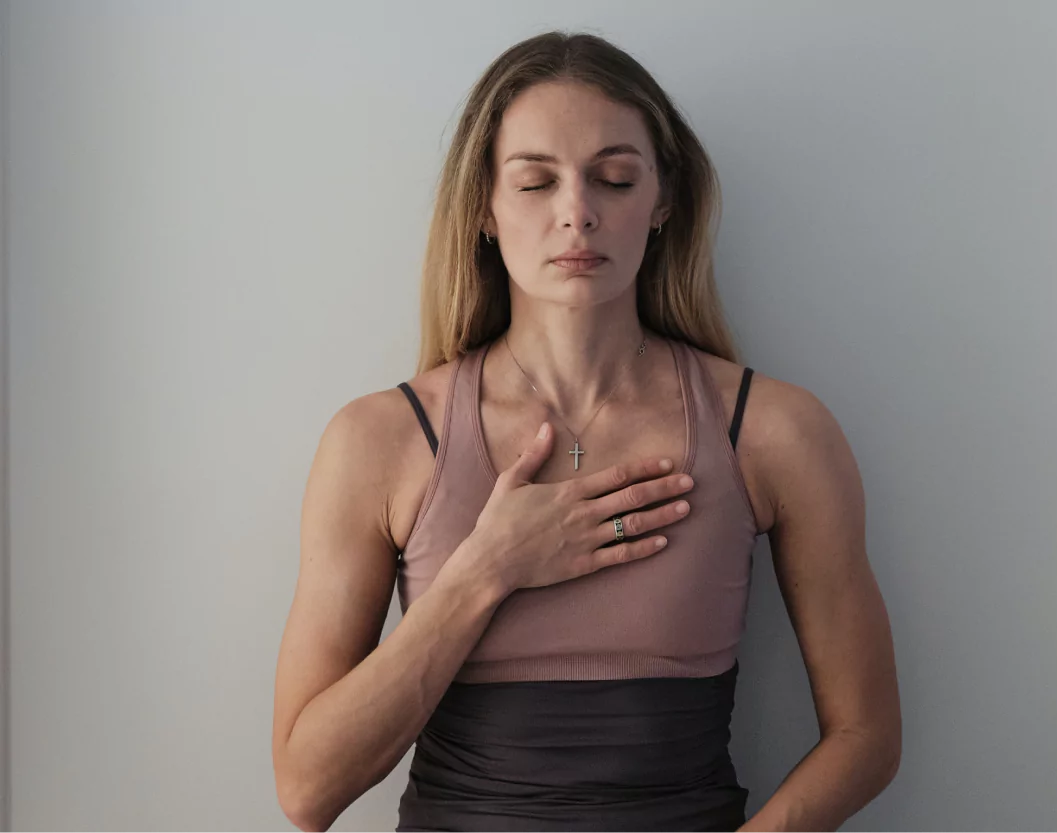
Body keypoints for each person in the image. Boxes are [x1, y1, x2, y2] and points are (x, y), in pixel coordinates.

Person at [272, 30, 901, 833]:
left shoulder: (775, 432)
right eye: (535, 182)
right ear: (486, 212)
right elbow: (305, 788)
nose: (577, 213)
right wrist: (485, 570)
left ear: (663, 201)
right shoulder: (379, 442)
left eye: (613, 177)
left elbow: (866, 733)